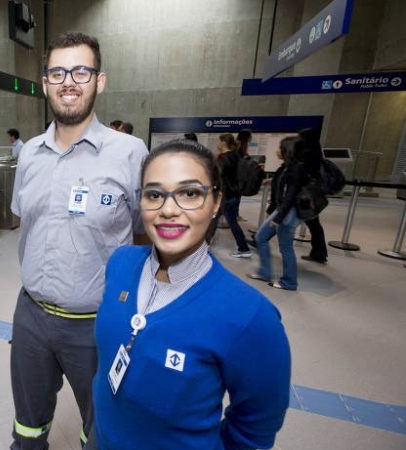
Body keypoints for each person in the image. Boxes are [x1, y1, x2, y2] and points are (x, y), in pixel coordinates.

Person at [91, 139, 291, 449]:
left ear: (215, 203)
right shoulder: (121, 263)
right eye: (154, 194)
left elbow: (255, 428)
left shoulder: (250, 317)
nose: (168, 210)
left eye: (190, 193)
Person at [10, 32, 149, 449]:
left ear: (99, 80)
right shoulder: (30, 153)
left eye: (81, 70)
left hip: (96, 324)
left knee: (100, 426)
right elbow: (27, 226)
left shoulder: (130, 152)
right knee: (28, 426)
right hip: (31, 316)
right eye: (58, 72)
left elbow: (147, 235)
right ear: (45, 82)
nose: (69, 81)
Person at [248, 136, 307, 290]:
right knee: (262, 237)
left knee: (284, 246)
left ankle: (289, 282)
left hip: (287, 212)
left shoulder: (296, 169)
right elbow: (282, 186)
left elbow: (290, 195)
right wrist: (272, 182)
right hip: (283, 210)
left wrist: (279, 217)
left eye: (280, 147)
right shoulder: (287, 167)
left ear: (288, 150)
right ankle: (265, 273)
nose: (277, 150)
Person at [217, 133, 252, 257]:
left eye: (219, 141)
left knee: (229, 222)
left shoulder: (223, 158)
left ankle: (243, 248)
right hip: (235, 194)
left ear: (223, 143)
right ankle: (243, 247)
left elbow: (217, 176)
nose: (217, 143)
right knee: (217, 219)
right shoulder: (236, 156)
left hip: (226, 195)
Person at [297, 128, 327, 264]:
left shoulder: (307, 155)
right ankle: (319, 252)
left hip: (305, 195)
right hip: (312, 195)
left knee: (282, 217)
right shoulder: (317, 154)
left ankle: (261, 239)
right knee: (315, 224)